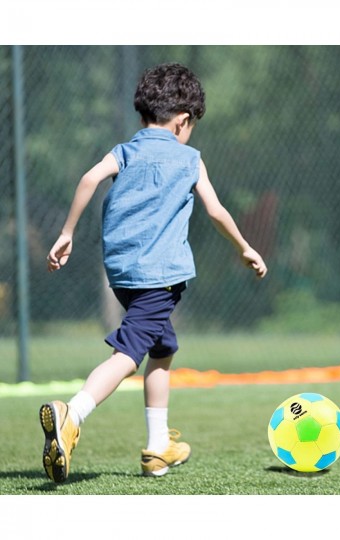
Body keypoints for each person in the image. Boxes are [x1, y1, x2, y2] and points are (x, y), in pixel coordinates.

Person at [40, 63, 267, 483]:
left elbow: (90, 178)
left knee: (161, 349)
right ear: (183, 121)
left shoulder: (125, 150)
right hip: (160, 274)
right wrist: (245, 248)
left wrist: (67, 232)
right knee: (129, 353)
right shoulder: (189, 158)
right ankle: (74, 413)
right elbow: (215, 211)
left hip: (123, 272)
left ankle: (158, 445)